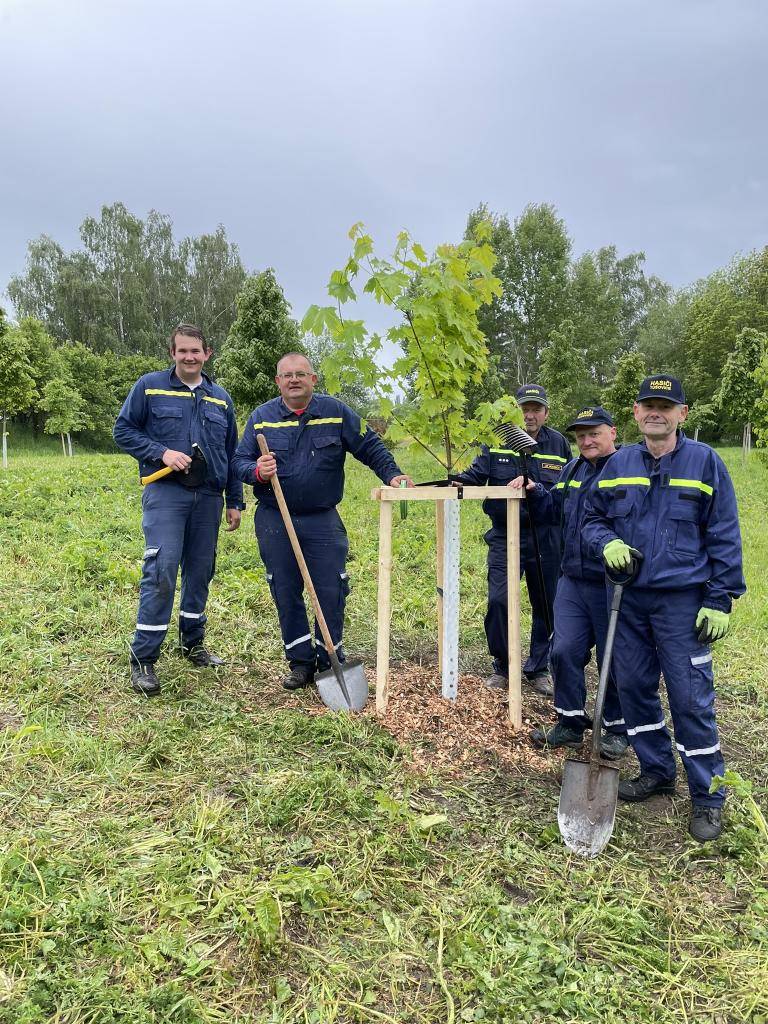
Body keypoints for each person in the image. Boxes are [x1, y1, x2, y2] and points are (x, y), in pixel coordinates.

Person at [582, 376, 745, 842]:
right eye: (648, 406)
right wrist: (607, 541)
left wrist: (719, 597)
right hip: (629, 600)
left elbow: (724, 532)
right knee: (633, 686)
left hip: (683, 603)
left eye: (665, 406)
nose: (656, 413)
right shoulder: (619, 464)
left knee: (691, 698)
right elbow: (591, 519)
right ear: (635, 413)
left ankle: (708, 795)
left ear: (682, 414)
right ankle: (656, 770)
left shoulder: (705, 462)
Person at [232, 353, 412, 690]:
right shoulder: (262, 419)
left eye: (301, 374)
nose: (294, 380)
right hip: (276, 519)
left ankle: (330, 656)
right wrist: (257, 471)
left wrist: (393, 474)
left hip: (322, 520)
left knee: (331, 589)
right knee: (285, 590)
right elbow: (238, 462)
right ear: (278, 382)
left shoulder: (336, 413)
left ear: (313, 379)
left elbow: (370, 446)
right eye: (287, 375)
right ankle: (300, 663)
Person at [114, 323, 244, 696]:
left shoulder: (221, 398)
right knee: (162, 568)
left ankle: (194, 644)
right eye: (182, 351)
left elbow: (232, 452)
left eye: (196, 351)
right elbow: (123, 431)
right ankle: (144, 659)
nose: (189, 357)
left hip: (208, 498)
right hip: (166, 493)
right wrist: (162, 452)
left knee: (201, 570)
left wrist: (234, 500)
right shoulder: (149, 386)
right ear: (172, 353)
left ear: (207, 354)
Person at [512, 406, 629, 760]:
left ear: (613, 432)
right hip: (572, 579)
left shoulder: (626, 471)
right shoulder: (573, 469)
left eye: (594, 433)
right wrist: (535, 492)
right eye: (580, 435)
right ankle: (570, 721)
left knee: (615, 657)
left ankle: (616, 728)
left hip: (611, 583)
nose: (586, 440)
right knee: (563, 650)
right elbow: (551, 512)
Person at [454, 383, 571, 696]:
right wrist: (454, 480)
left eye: (536, 409)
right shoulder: (498, 438)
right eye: (524, 408)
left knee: (547, 604)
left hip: (546, 537)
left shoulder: (558, 444)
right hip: (506, 534)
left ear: (546, 412)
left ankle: (538, 668)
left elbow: (568, 489)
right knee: (499, 600)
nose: (529, 415)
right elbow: (474, 476)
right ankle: (504, 666)